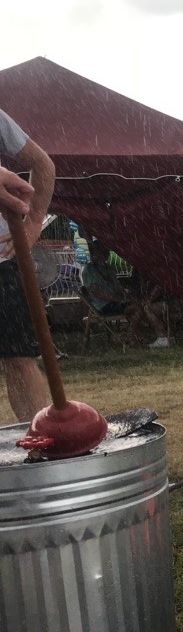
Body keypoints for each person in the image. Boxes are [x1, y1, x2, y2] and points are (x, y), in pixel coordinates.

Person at [0, 109, 54, 421]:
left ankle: (38, 442)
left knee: (18, 358)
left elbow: (42, 164)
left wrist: (33, 223)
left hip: (3, 263)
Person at [81, 240, 171, 347]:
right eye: (102, 251)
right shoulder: (89, 270)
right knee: (138, 309)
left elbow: (118, 288)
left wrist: (125, 295)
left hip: (116, 301)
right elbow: (97, 293)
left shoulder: (109, 268)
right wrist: (117, 298)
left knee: (138, 305)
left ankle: (132, 334)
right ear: (93, 253)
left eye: (106, 251)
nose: (106, 253)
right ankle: (129, 334)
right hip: (103, 305)